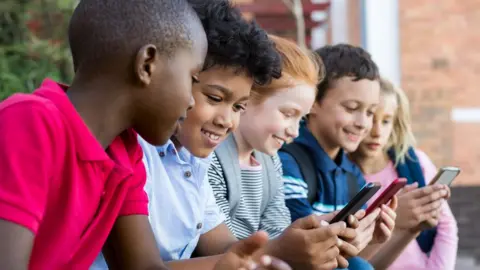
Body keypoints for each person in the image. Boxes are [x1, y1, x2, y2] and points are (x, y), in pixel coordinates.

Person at [91, 0, 284, 268]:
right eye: (214, 97)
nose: (227, 120)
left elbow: (223, 246)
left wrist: (285, 246)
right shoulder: (128, 151)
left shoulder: (191, 157)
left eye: (239, 107)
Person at [209, 35, 357, 270]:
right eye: (288, 114)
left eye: (301, 119)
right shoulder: (212, 158)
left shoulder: (271, 162)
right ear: (248, 97)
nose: (295, 132)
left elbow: (277, 229)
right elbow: (216, 249)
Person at [279, 44, 397, 269]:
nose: (363, 123)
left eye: (370, 112)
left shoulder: (352, 175)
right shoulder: (288, 163)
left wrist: (374, 239)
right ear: (313, 102)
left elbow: (350, 258)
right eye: (352, 108)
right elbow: (307, 249)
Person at [349, 77, 458, 270]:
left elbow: (446, 227)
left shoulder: (414, 163)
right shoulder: (341, 176)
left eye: (386, 121)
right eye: (371, 117)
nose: (377, 131)